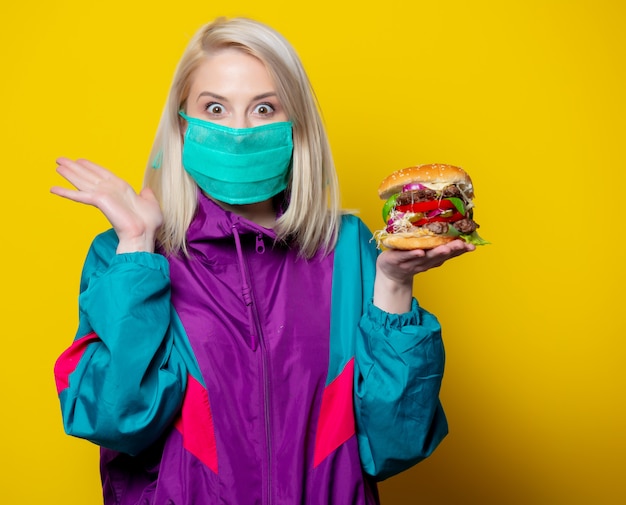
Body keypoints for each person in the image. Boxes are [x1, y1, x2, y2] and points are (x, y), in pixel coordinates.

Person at [51, 16, 475, 505]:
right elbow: (114, 421)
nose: (239, 131)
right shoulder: (125, 255)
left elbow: (393, 446)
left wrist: (394, 287)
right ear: (182, 123)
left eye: (264, 109)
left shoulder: (349, 249)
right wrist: (137, 248)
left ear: (295, 126)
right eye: (215, 108)